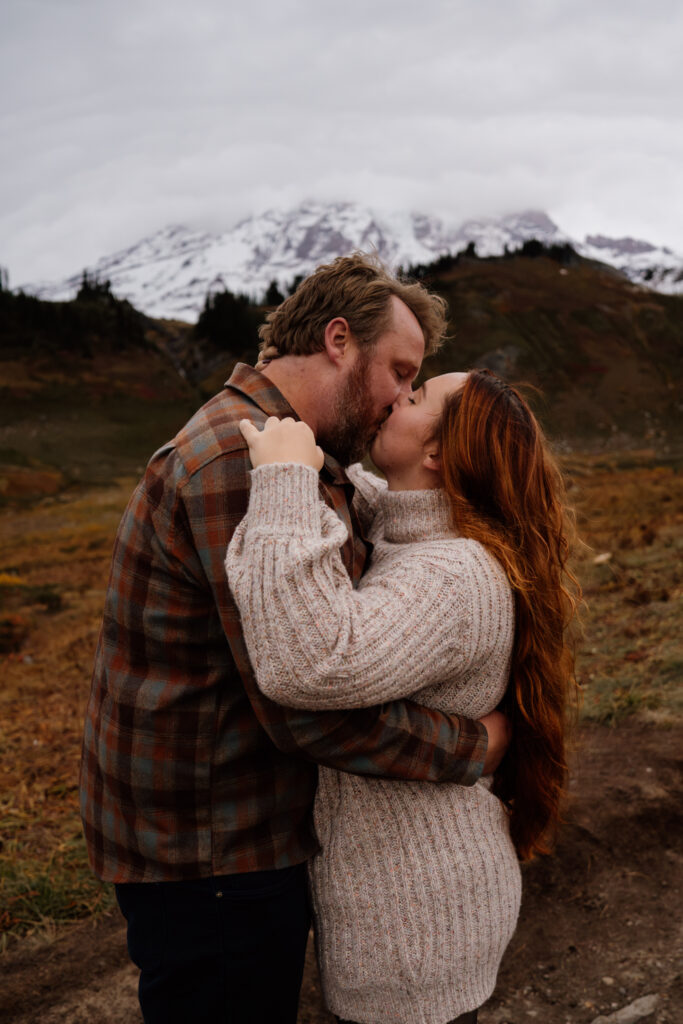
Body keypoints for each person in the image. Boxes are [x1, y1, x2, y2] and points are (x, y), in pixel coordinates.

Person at [79, 254, 511, 1024]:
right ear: (339, 340)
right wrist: (471, 748)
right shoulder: (244, 465)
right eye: (400, 374)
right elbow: (303, 702)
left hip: (220, 830)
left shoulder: (300, 453)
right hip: (213, 845)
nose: (398, 400)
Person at [226, 369, 580, 1024]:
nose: (397, 397)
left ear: (439, 453)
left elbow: (312, 663)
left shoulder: (455, 573)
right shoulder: (411, 529)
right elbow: (371, 503)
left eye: (416, 399)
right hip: (407, 904)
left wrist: (281, 481)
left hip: (417, 922)